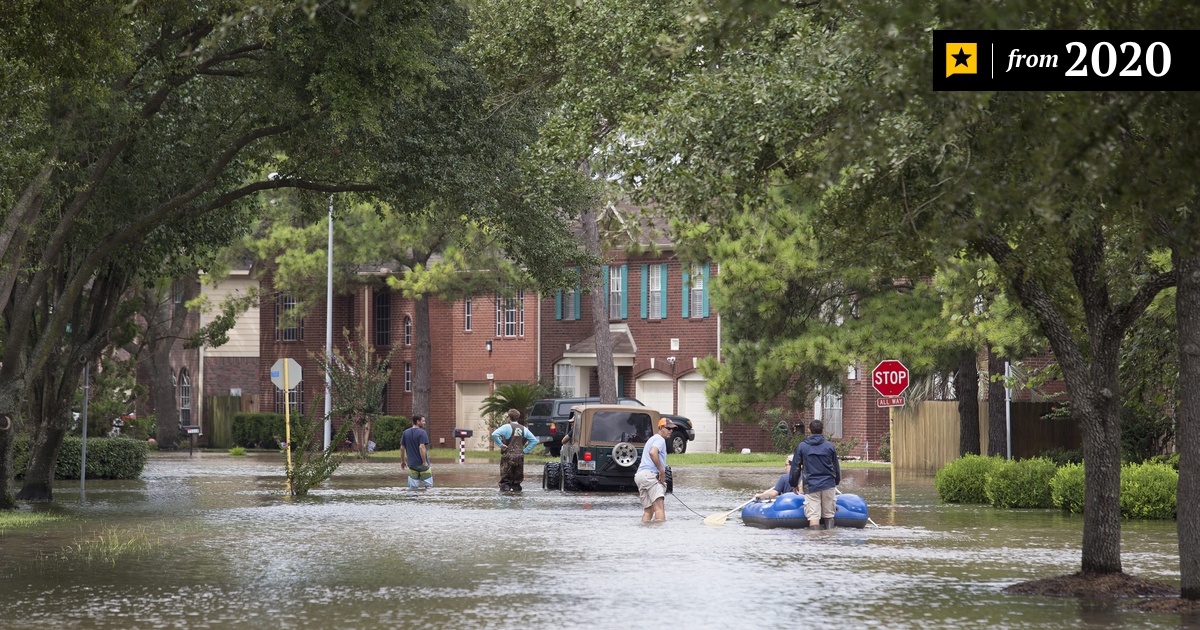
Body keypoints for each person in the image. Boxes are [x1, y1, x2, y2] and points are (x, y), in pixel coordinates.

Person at [788, 419, 841, 529]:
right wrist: (835, 482)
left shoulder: (802, 446)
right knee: (829, 515)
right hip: (828, 484)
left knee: (813, 516)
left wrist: (794, 483)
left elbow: (796, 467)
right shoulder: (830, 446)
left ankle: (814, 538)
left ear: (809, 430)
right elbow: (836, 467)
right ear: (822, 431)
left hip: (812, 485)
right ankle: (829, 536)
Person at [635, 417, 676, 522]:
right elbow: (653, 453)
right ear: (661, 428)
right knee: (659, 509)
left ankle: (645, 531)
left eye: (672, 429)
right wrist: (662, 472)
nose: (671, 431)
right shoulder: (660, 439)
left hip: (640, 476)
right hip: (650, 475)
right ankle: (660, 532)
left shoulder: (652, 439)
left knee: (648, 511)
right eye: (668, 428)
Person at [491, 408, 539, 492]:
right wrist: (525, 451)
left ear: (509, 417)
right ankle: (517, 496)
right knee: (517, 482)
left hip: (508, 456)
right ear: (518, 417)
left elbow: (494, 434)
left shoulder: (506, 427)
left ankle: (506, 495)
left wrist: (501, 445)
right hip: (520, 456)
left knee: (505, 481)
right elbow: (534, 441)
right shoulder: (524, 429)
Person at [400, 414, 432, 488]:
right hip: (422, 464)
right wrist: (424, 462)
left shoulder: (405, 433)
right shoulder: (422, 432)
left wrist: (403, 461)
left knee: (413, 488)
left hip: (412, 465)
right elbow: (421, 447)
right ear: (418, 421)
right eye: (423, 421)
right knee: (428, 486)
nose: (424, 423)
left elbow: (402, 448)